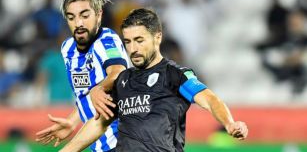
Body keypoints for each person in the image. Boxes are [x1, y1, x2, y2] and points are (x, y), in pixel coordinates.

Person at [59, 8, 248, 152]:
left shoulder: (175, 74)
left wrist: (229, 123)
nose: (133, 49)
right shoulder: (123, 81)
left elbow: (209, 99)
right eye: (128, 42)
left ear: (157, 37)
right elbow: (99, 123)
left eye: (139, 40)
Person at [35, 0, 130, 152]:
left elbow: (117, 73)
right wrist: (73, 120)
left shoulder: (106, 40)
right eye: (71, 17)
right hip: (98, 146)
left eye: (85, 15)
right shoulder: (67, 49)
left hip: (124, 143)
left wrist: (98, 89)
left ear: (99, 15)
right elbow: (84, 93)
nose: (78, 23)